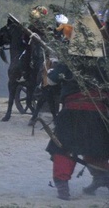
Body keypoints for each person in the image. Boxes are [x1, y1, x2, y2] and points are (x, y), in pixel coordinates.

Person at [45, 56, 109, 200]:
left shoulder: (71, 58)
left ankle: (63, 188)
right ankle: (103, 177)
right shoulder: (104, 57)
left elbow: (51, 80)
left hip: (74, 111)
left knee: (64, 149)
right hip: (99, 111)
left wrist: (54, 69)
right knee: (96, 149)